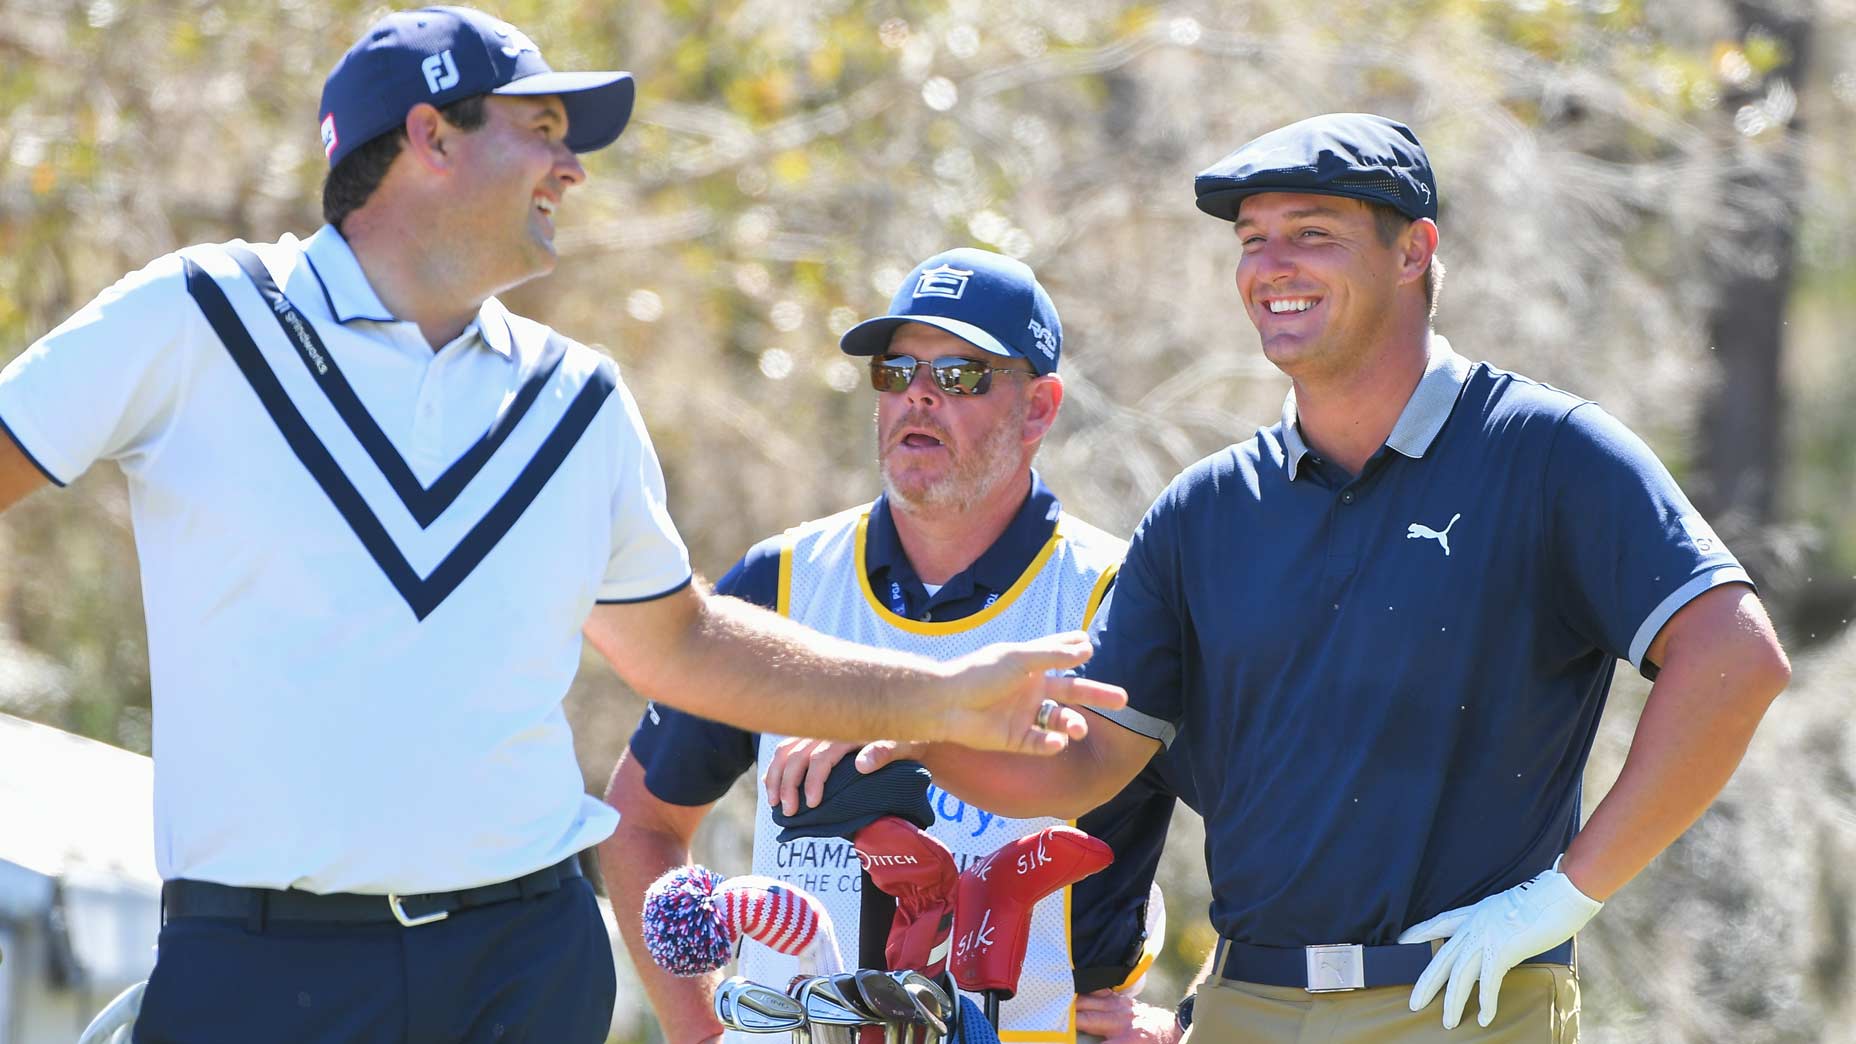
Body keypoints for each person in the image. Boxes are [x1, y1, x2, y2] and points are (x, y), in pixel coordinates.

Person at [0, 11, 1123, 1044]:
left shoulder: (576, 395)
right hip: (259, 963)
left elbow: (680, 645)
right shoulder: (196, 318)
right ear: (430, 135)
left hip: (524, 957)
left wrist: (935, 693)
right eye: (542, 129)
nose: (573, 167)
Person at [852, 112, 1791, 1042]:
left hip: (1461, 1004)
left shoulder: (1546, 453)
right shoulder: (1204, 510)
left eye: (1313, 235)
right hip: (1244, 1007)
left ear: (1414, 251)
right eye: (1253, 241)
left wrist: (1563, 899)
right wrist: (917, 730)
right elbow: (1090, 763)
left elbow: (1735, 660)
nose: (1271, 268)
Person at [601, 248, 1184, 1044]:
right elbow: (640, 821)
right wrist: (701, 1031)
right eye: (897, 369)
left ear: (1040, 408)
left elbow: (1278, 823)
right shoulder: (779, 584)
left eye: (961, 375)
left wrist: (1193, 1016)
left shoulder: (1118, 598)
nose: (917, 394)